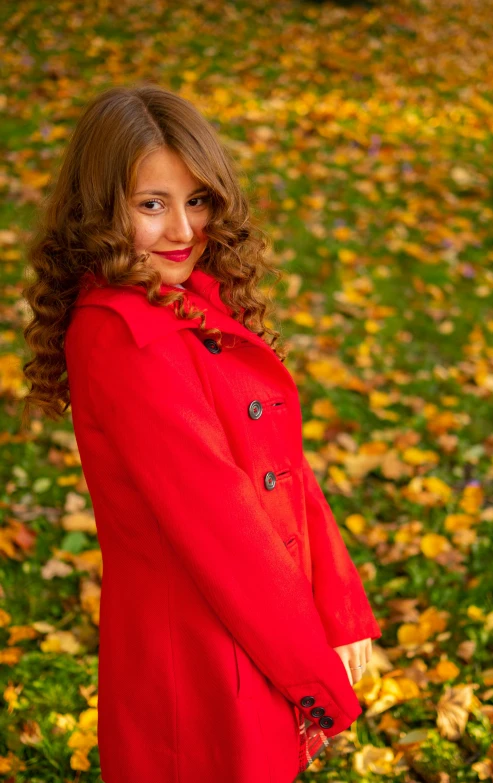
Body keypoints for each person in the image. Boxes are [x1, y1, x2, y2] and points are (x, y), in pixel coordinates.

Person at [20, 84, 382, 783]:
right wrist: (314, 673)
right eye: (151, 205)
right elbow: (222, 527)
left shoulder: (188, 303)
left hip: (253, 633)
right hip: (198, 653)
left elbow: (283, 467)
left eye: (198, 200)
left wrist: (337, 604)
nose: (183, 230)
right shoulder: (129, 339)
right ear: (100, 210)